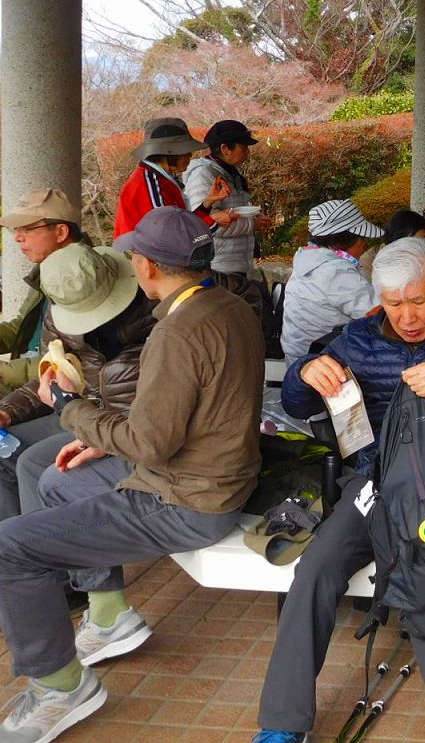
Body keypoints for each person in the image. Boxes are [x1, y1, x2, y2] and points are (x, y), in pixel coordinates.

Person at [0, 207, 264, 743]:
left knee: (9, 547)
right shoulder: (229, 306)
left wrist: (72, 408)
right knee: (56, 478)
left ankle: (60, 686)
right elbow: (175, 422)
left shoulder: (176, 330)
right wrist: (97, 436)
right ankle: (108, 614)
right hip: (214, 477)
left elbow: (149, 442)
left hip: (183, 500)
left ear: (143, 265)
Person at [252, 237, 425, 743]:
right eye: (394, 303)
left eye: (418, 301)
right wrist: (304, 371)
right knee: (314, 571)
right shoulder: (356, 338)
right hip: (374, 483)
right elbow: (296, 406)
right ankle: (281, 724)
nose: (407, 316)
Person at [0, 243, 156, 522]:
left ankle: (52, 551)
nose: (20, 239)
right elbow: (52, 377)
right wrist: (8, 410)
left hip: (129, 427)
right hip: (78, 414)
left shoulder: (157, 312)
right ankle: (24, 554)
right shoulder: (60, 308)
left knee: (42, 468)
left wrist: (102, 434)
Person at [0, 188, 84, 398]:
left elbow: (78, 359)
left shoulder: (85, 278)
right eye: (15, 229)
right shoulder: (46, 269)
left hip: (57, 390)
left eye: (27, 228)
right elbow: (21, 327)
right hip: (30, 381)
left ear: (61, 232)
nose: (18, 238)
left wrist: (3, 371)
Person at [280, 199, 384, 366]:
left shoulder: (308, 259)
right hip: (324, 362)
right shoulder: (335, 271)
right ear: (344, 240)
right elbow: (378, 314)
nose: (364, 244)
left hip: (297, 358)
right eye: (361, 238)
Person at [184, 119, 270, 275]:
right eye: (243, 147)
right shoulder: (203, 175)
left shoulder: (232, 174)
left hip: (238, 263)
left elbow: (235, 209)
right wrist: (252, 225)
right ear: (225, 149)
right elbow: (206, 224)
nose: (247, 152)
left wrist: (256, 216)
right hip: (218, 266)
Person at [115, 117, 222, 238]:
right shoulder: (149, 184)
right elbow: (170, 237)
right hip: (144, 255)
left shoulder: (160, 178)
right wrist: (213, 221)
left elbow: (181, 223)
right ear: (170, 153)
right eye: (185, 150)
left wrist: (208, 202)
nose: (190, 155)